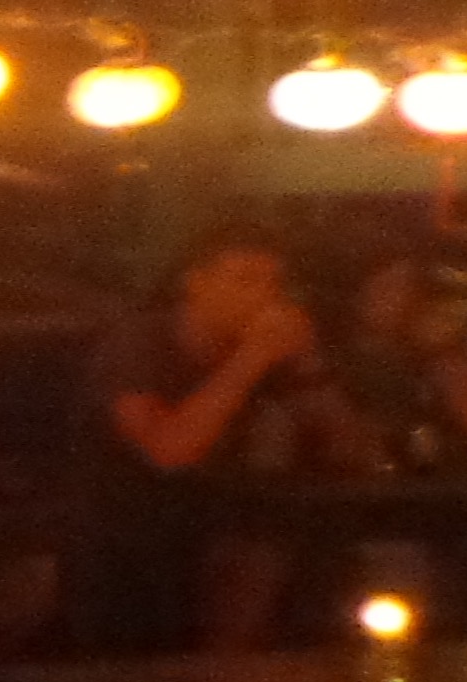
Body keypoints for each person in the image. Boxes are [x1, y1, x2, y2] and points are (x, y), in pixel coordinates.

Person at [75, 223, 357, 651]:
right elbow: (169, 453)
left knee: (301, 545)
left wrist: (308, 364)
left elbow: (353, 449)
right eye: (245, 280)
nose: (263, 295)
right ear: (197, 282)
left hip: (237, 514)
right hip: (128, 518)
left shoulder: (274, 353)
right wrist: (253, 357)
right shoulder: (138, 344)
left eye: (273, 284)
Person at [327, 237, 467, 470]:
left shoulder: (448, 358)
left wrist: (444, 353)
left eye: (406, 288)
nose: (399, 298)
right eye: (384, 287)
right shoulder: (328, 363)